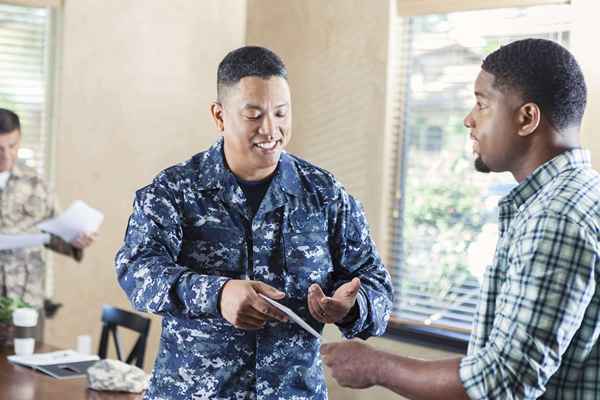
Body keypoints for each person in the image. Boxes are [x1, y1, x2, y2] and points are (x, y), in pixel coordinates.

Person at [322, 38, 599, 399]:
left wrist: (376, 366)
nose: (469, 118)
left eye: (482, 104)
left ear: (527, 118)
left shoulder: (555, 218)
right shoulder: (579, 195)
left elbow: (503, 379)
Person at [115, 45, 393, 399]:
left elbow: (377, 287)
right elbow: (136, 271)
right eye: (254, 115)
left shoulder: (324, 194)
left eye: (281, 113)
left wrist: (353, 306)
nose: (271, 129)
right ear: (219, 116)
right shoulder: (174, 191)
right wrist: (217, 294)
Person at [0, 108, 95, 340]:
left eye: (12, 146)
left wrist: (76, 240)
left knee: (26, 374)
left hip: (26, 302)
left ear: (19, 139)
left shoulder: (36, 183)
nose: (7, 156)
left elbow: (57, 234)